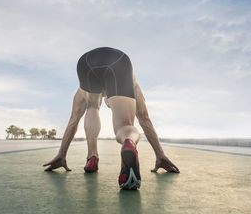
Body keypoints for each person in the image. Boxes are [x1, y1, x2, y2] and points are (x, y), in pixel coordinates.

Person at [43, 47, 179, 190]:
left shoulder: (82, 92)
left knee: (92, 107)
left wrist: (61, 154)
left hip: (85, 63)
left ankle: (92, 158)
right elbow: (144, 118)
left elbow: (73, 121)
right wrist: (160, 155)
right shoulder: (132, 84)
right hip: (119, 62)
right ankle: (129, 141)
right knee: (124, 127)